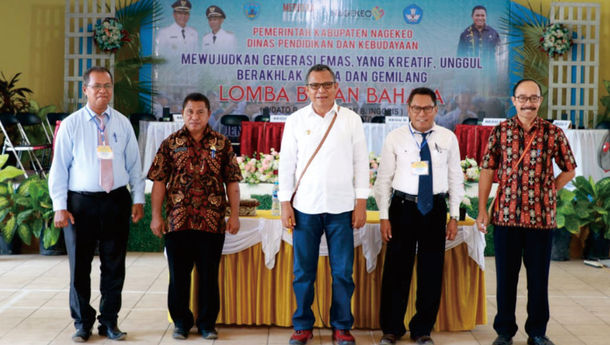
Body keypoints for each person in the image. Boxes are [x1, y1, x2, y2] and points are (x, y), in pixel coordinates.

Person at [49, 66, 145, 342]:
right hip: (80, 204)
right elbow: (59, 169)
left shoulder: (122, 123)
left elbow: (134, 165)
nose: (103, 91)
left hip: (116, 200)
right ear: (85, 90)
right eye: (97, 86)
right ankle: (82, 323)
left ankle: (110, 321)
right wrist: (59, 205)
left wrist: (138, 199)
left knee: (114, 265)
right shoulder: (71, 124)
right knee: (80, 266)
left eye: (108, 86)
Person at [476, 79, 576, 345]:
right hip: (506, 217)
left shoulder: (553, 133)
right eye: (522, 98)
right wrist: (482, 209)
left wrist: (550, 189)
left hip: (540, 219)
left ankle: (537, 332)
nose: (528, 103)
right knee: (505, 278)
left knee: (538, 279)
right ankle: (505, 332)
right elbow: (487, 169)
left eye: (533, 98)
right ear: (513, 101)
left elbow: (569, 168)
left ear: (540, 101)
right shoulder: (500, 132)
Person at [278, 64, 368, 345]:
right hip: (305, 208)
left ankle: (342, 326)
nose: (321, 91)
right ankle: (303, 325)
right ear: (306, 90)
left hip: (342, 209)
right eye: (315, 86)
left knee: (342, 272)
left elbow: (361, 162)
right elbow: (286, 165)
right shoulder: (295, 120)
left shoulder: (351, 119)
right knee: (303, 271)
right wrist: (285, 203)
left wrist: (361, 202)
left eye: (326, 85)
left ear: (336, 88)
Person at [373, 88, 464, 345]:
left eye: (427, 108)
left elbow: (455, 178)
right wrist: (383, 216)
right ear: (408, 109)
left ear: (436, 109)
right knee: (396, 270)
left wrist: (454, 215)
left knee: (431, 271)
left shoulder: (448, 138)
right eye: (416, 108)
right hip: (402, 208)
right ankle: (391, 329)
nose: (421, 113)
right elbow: (384, 180)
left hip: (434, 209)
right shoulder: (395, 137)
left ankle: (422, 329)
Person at [147, 92, 242, 340]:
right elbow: (159, 182)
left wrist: (234, 215)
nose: (195, 116)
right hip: (178, 221)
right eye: (190, 111)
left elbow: (232, 182)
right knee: (178, 275)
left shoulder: (222, 144)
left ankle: (207, 323)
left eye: (200, 112)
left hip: (212, 221)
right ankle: (181, 321)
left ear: (209, 114)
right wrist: (156, 216)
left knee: (209, 275)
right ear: (183, 114)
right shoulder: (170, 143)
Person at [155, 0, 199, 114]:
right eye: (180, 13)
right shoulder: (165, 32)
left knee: (187, 110)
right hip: (170, 80)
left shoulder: (193, 33)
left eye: (185, 13)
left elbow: (195, 59)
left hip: (188, 80)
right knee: (169, 111)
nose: (182, 16)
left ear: (188, 15)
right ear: (174, 14)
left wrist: (194, 80)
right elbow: (160, 59)